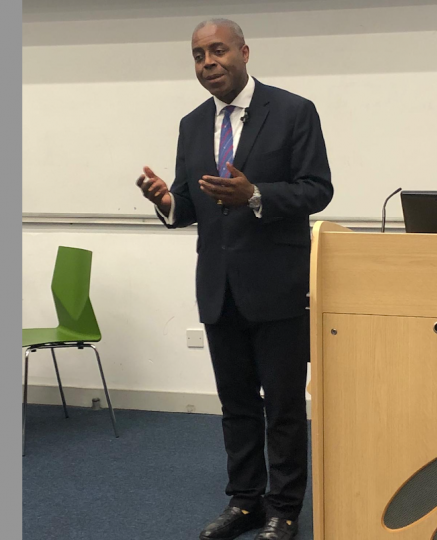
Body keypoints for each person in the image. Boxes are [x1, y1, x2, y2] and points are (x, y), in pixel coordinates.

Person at [136, 18, 333, 540]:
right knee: (237, 405)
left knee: (285, 407)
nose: (208, 63)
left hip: (279, 287)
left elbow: (317, 190)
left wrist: (256, 195)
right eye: (199, 55)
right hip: (219, 288)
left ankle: (284, 510)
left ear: (244, 52)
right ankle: (244, 502)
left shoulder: (293, 112)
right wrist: (167, 201)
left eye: (218, 51)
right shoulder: (192, 124)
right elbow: (190, 203)